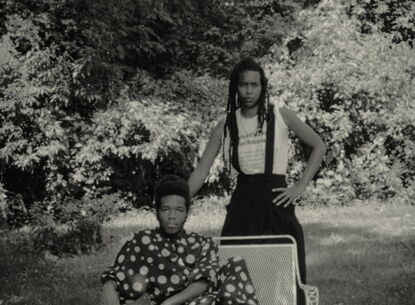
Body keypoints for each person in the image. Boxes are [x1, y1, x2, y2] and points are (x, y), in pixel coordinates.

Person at [187, 59, 327, 296]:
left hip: (276, 203)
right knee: (235, 273)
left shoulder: (281, 114)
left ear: (263, 87)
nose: (249, 91)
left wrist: (300, 185)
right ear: (236, 87)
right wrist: (177, 200)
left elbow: (319, 145)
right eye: (243, 85)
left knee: (284, 276)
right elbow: (202, 170)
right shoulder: (226, 125)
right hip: (242, 203)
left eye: (255, 85)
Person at [101, 175, 259, 305]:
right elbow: (115, 276)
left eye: (179, 210)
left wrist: (169, 303)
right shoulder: (145, 241)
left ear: (187, 213)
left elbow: (203, 283)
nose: (172, 216)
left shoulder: (202, 243)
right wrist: (109, 285)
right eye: (165, 209)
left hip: (201, 302)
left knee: (235, 264)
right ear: (156, 212)